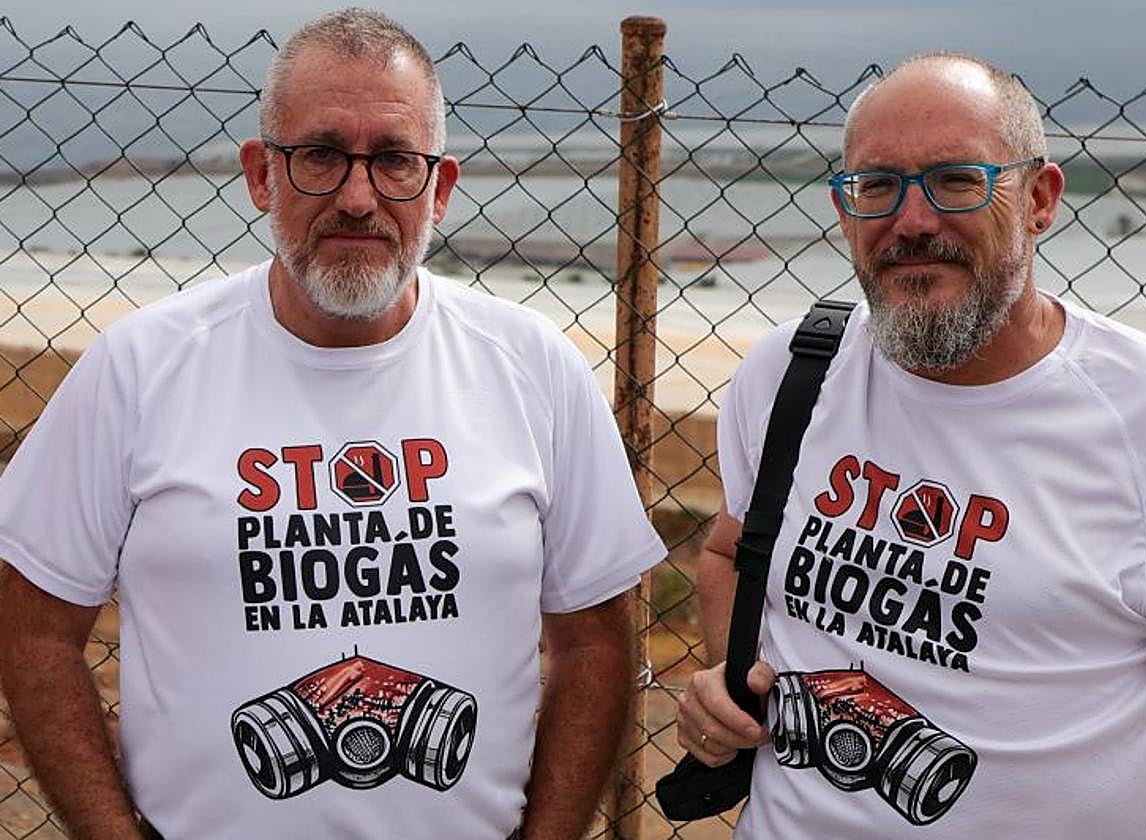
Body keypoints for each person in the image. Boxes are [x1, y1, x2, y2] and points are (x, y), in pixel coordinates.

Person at [0, 9, 665, 839]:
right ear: (259, 175)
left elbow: (598, 638)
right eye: (319, 155)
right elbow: (33, 628)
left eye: (394, 160)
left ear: (442, 187)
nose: (358, 198)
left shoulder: (534, 367)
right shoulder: (140, 367)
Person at [676, 52, 1146, 839]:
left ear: (1039, 199)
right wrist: (734, 684)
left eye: (957, 181)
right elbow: (728, 552)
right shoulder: (791, 370)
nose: (911, 221)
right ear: (844, 208)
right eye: (876, 186)